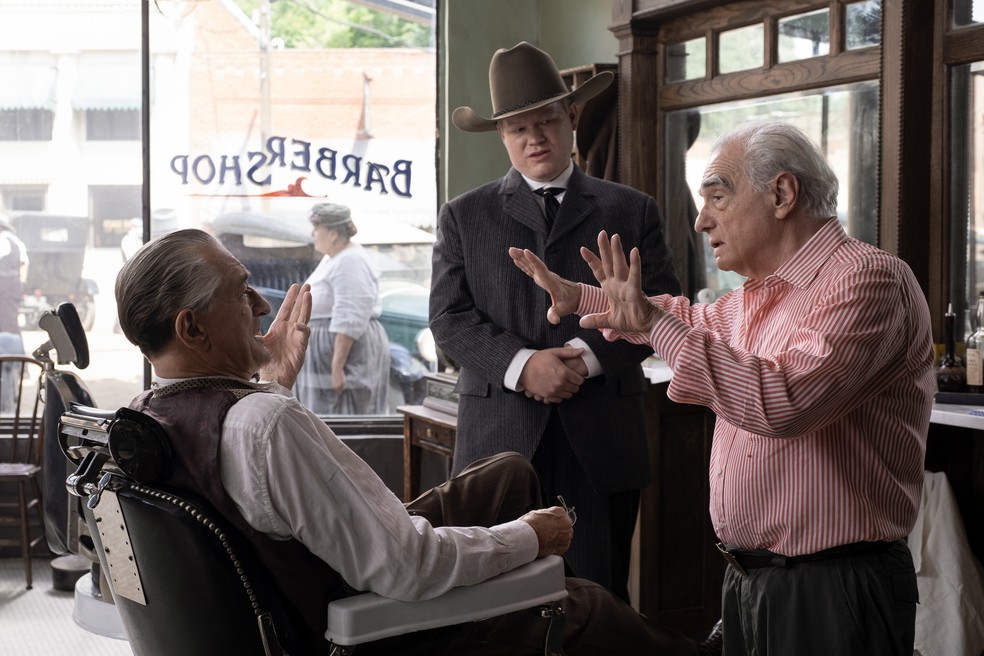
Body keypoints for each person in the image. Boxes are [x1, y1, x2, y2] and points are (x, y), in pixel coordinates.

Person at [114, 228, 707, 656]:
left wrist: (274, 386)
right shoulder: (264, 425)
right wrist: (529, 538)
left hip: (304, 584)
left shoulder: (147, 418)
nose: (261, 306)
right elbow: (408, 567)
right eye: (241, 293)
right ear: (191, 327)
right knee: (583, 604)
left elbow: (259, 498)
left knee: (507, 475)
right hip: (360, 620)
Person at [510, 121, 935, 656]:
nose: (701, 219)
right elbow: (685, 317)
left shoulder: (867, 280)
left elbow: (782, 403)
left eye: (717, 196)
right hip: (754, 579)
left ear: (782, 194)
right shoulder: (756, 297)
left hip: (833, 585)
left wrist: (652, 322)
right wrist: (585, 297)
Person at [431, 41, 681, 602]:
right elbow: (448, 319)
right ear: (502, 137)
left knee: (598, 604)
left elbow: (664, 303)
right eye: (519, 129)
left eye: (545, 121)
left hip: (602, 438)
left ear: (572, 117)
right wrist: (524, 367)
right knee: (497, 609)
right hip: (498, 446)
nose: (534, 138)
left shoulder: (630, 209)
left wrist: (586, 362)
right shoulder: (464, 216)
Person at [293, 202, 390, 414]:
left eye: (317, 229)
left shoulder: (351, 260)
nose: (313, 234)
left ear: (334, 234)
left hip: (345, 354)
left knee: (343, 411)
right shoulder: (334, 257)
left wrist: (337, 367)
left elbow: (350, 317)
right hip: (327, 352)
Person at [0, 213, 28, 336]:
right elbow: (25, 264)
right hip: (14, 284)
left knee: (5, 321)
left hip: (4, 284)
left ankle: (9, 351)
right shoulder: (17, 242)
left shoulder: (2, 240)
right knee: (11, 319)